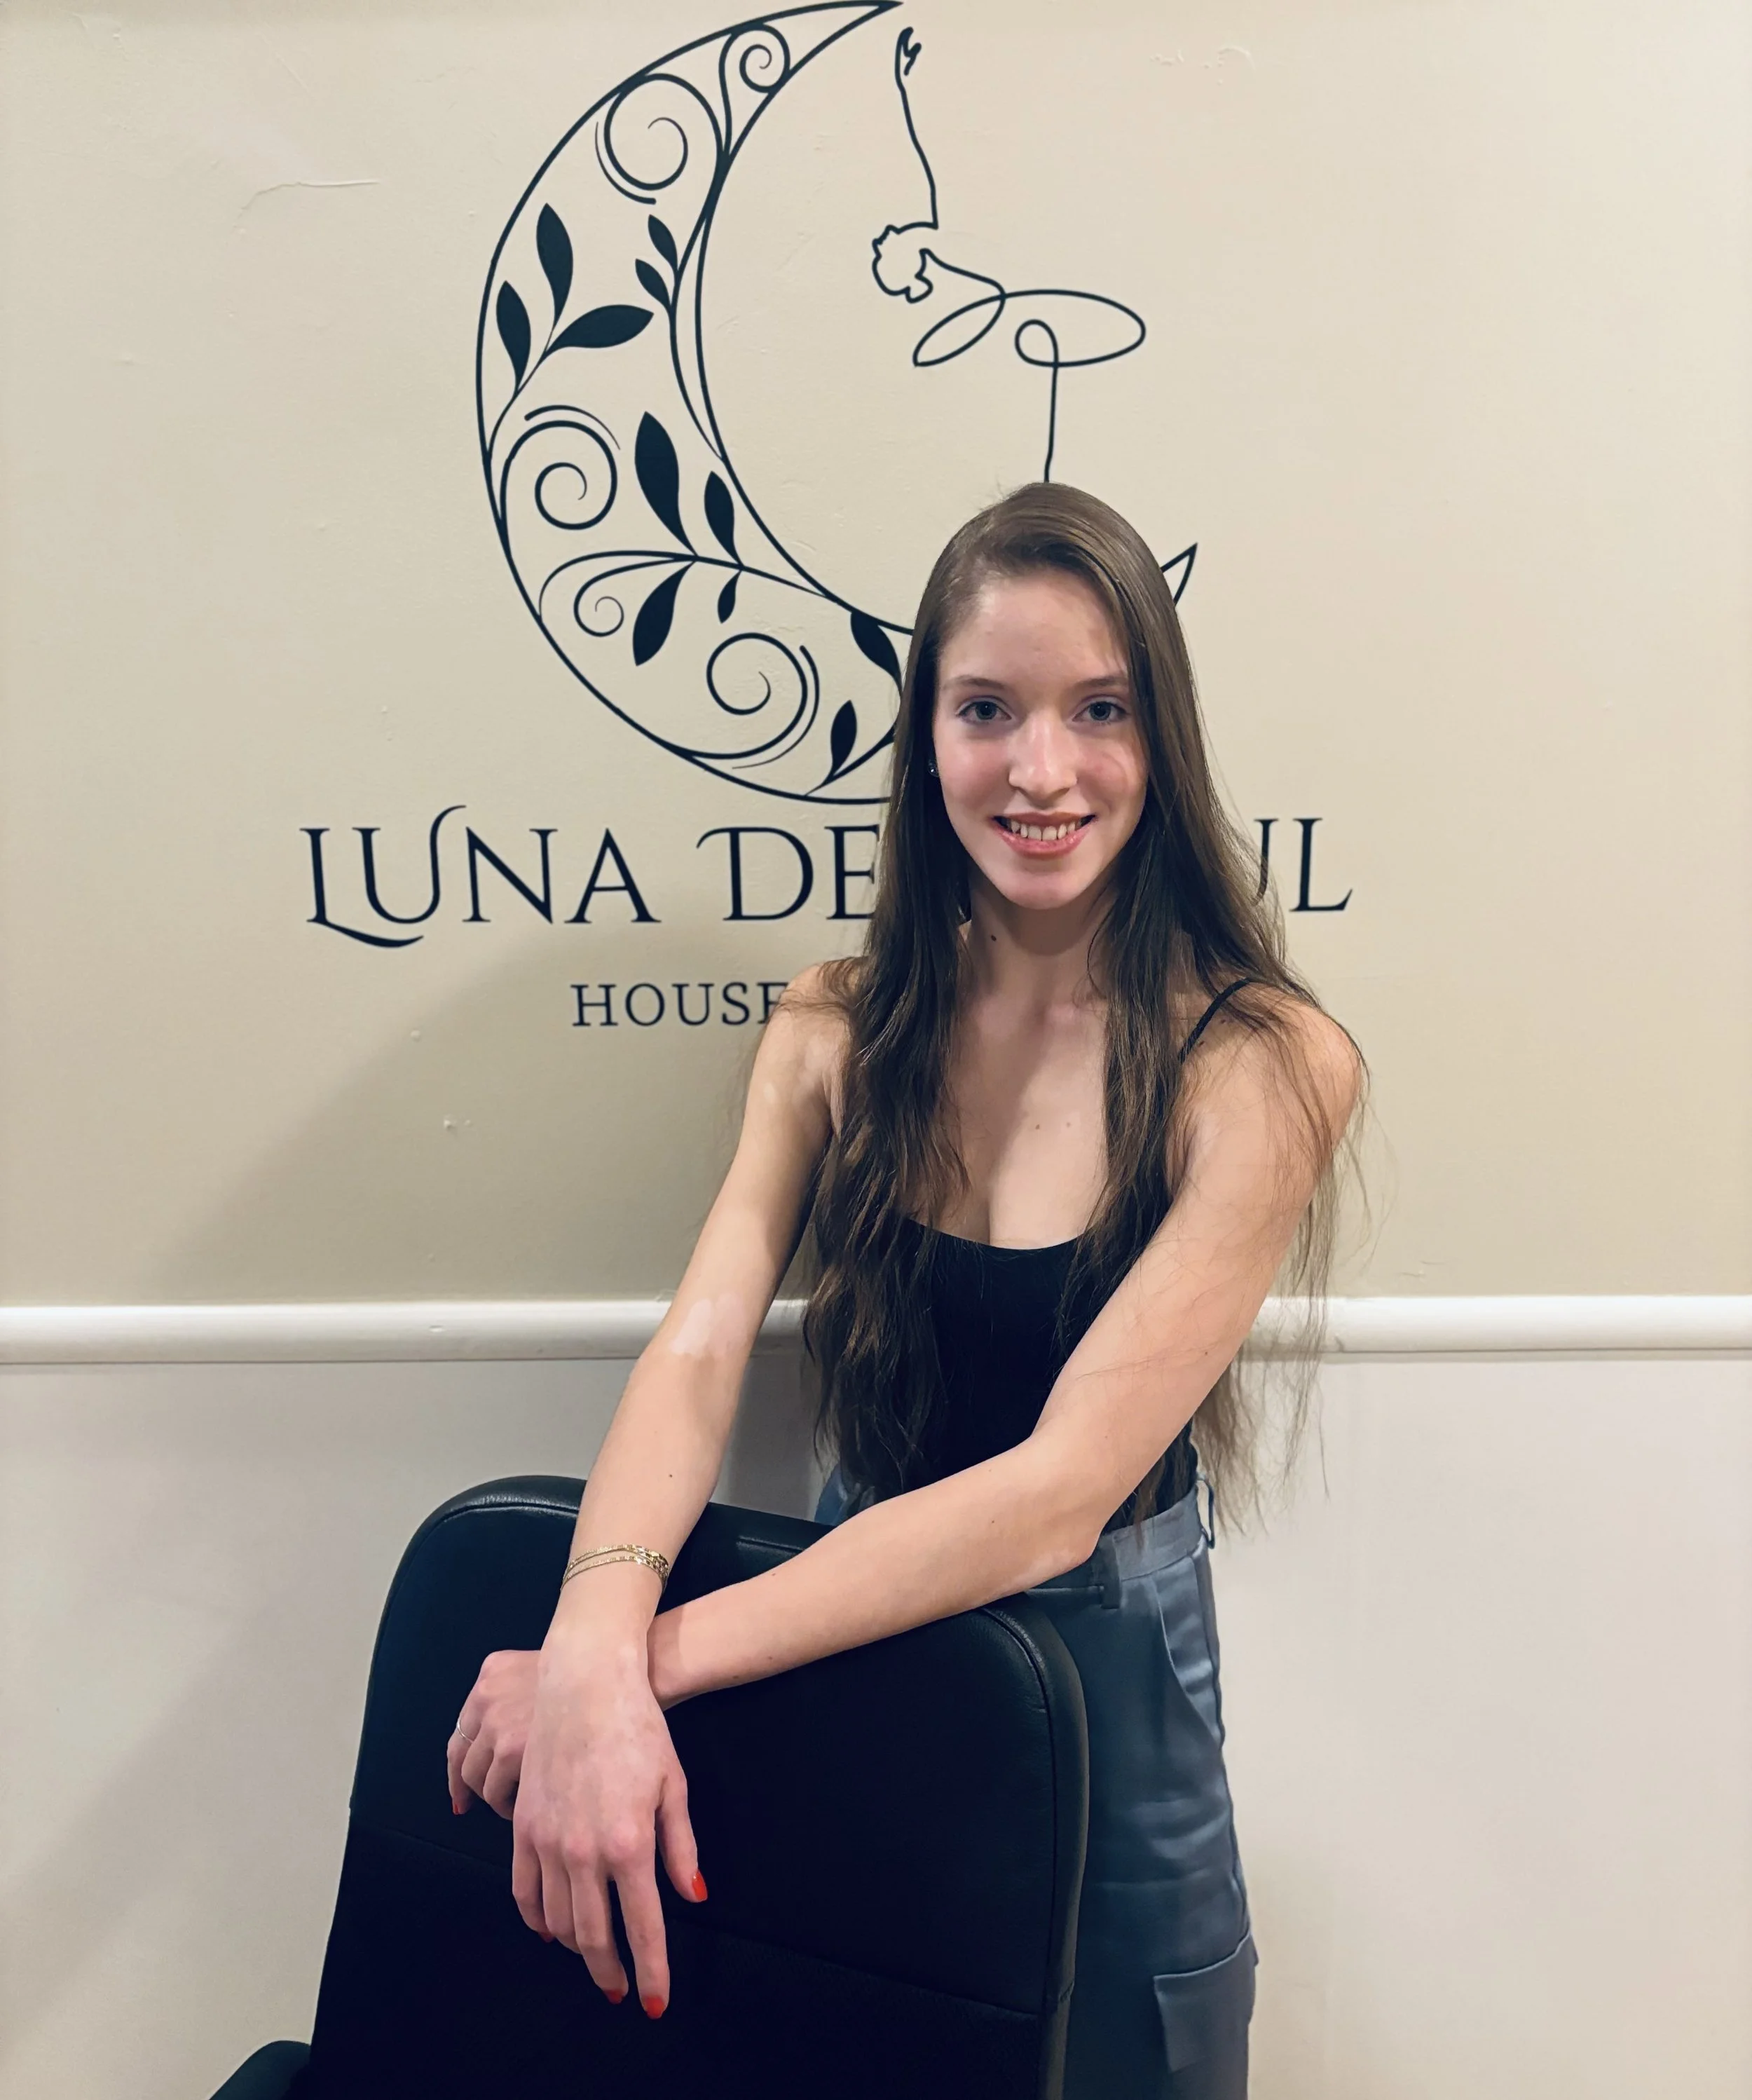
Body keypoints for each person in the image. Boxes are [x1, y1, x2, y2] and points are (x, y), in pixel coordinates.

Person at [447, 482, 1361, 2097]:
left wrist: (624, 1670)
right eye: (985, 709)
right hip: (832, 1650)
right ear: (922, 736)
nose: (1040, 769)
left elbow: (1053, 1500)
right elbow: (703, 1337)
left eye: (1099, 710)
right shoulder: (828, 1027)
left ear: (1162, 736)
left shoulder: (1264, 1063)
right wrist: (590, 1626)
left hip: (1111, 1697)